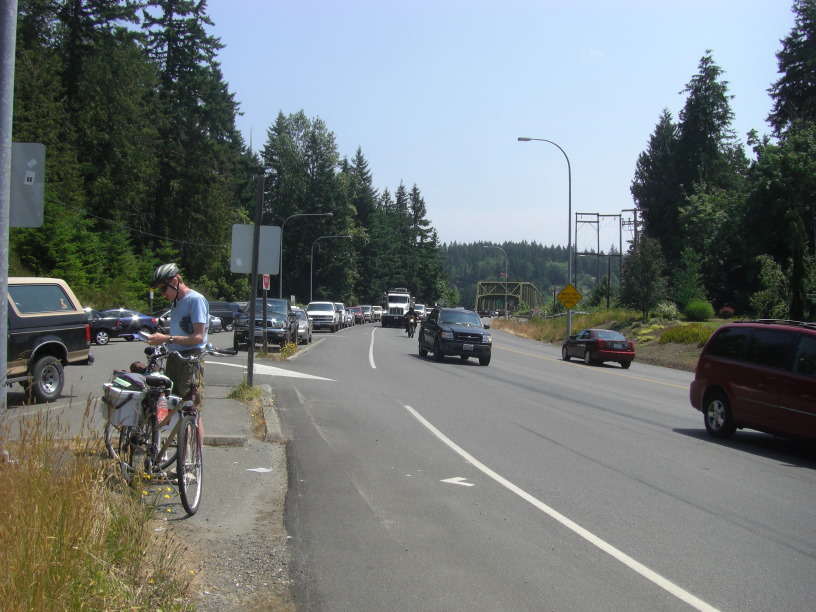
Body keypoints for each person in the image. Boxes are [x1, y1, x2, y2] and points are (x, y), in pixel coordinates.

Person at [147, 263, 209, 407]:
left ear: (175, 280)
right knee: (172, 405)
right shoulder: (176, 303)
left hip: (190, 359)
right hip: (175, 357)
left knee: (191, 409)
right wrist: (160, 338)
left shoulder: (195, 300)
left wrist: (166, 338)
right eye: (159, 291)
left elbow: (198, 337)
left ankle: (193, 430)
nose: (162, 294)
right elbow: (180, 333)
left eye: (163, 288)